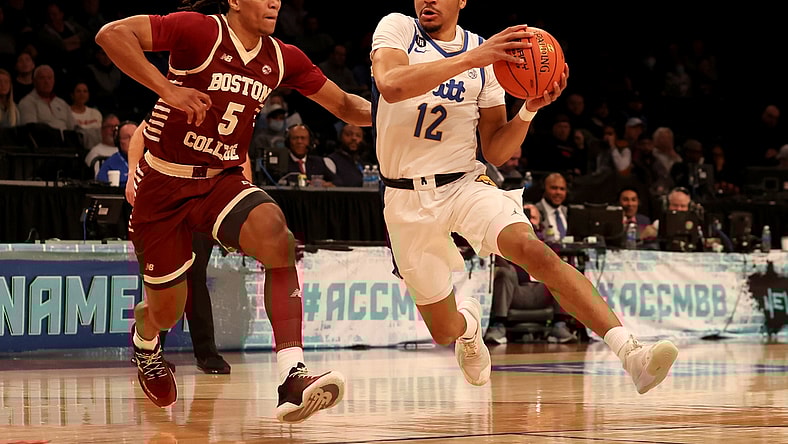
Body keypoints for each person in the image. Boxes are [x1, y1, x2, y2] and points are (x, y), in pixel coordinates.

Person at [371, 1, 677, 393]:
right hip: (405, 198)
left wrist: (528, 110)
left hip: (463, 183)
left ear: (461, 1)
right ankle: (470, 326)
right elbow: (392, 85)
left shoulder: (488, 58)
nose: (427, 0)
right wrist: (472, 58)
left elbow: (496, 150)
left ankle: (631, 353)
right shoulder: (397, 29)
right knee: (444, 330)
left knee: (534, 251)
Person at [95, 0, 371, 423]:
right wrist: (167, 89)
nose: (275, 2)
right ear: (235, 1)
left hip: (220, 179)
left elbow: (349, 108)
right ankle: (146, 342)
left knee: (277, 236)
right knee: (166, 311)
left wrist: (410, 113)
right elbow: (111, 34)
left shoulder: (281, 57)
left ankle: (291, 376)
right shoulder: (198, 31)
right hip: (164, 185)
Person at [126, 121, 231, 375]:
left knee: (195, 277)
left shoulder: (230, 106)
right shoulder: (178, 96)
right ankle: (150, 350)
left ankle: (206, 353)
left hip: (203, 197)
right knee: (162, 278)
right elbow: (140, 133)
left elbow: (242, 158)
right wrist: (131, 174)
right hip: (164, 196)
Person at [96, 119, 137, 185]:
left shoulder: (150, 162)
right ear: (118, 141)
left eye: (135, 136)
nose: (132, 141)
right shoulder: (109, 165)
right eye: (126, 137)